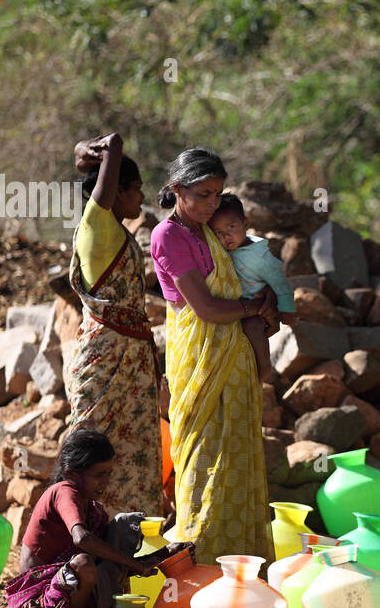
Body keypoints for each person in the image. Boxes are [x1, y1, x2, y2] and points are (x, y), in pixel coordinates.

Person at [150, 148, 277, 564]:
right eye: (203, 194)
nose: (211, 204)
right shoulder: (168, 236)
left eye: (218, 194)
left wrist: (266, 300)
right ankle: (199, 573)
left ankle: (242, 577)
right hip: (200, 363)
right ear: (177, 190)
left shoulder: (215, 229)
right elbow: (205, 308)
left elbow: (247, 276)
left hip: (235, 361)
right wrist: (252, 309)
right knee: (206, 473)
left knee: (237, 467)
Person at [4, 428, 185, 608]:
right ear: (72, 473)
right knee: (83, 564)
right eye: (99, 475)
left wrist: (163, 554)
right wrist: (136, 564)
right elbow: (82, 539)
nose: (106, 482)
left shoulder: (90, 507)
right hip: (41, 605)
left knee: (121, 526)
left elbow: (110, 557)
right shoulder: (64, 490)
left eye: (109, 474)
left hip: (71, 598)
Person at [65, 133, 166, 519]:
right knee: (90, 451)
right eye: (136, 189)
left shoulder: (116, 232)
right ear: (116, 190)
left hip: (129, 363)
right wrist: (107, 147)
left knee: (131, 459)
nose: (141, 199)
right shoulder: (98, 226)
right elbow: (115, 148)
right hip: (108, 357)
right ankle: (73, 544)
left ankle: (123, 553)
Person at [206, 193, 298, 380]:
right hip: (235, 307)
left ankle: (265, 367)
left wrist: (287, 309)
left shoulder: (259, 256)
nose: (226, 235)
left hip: (255, 307)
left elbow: (280, 283)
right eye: (218, 232)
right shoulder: (225, 250)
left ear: (245, 224)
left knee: (252, 327)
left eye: (231, 227)